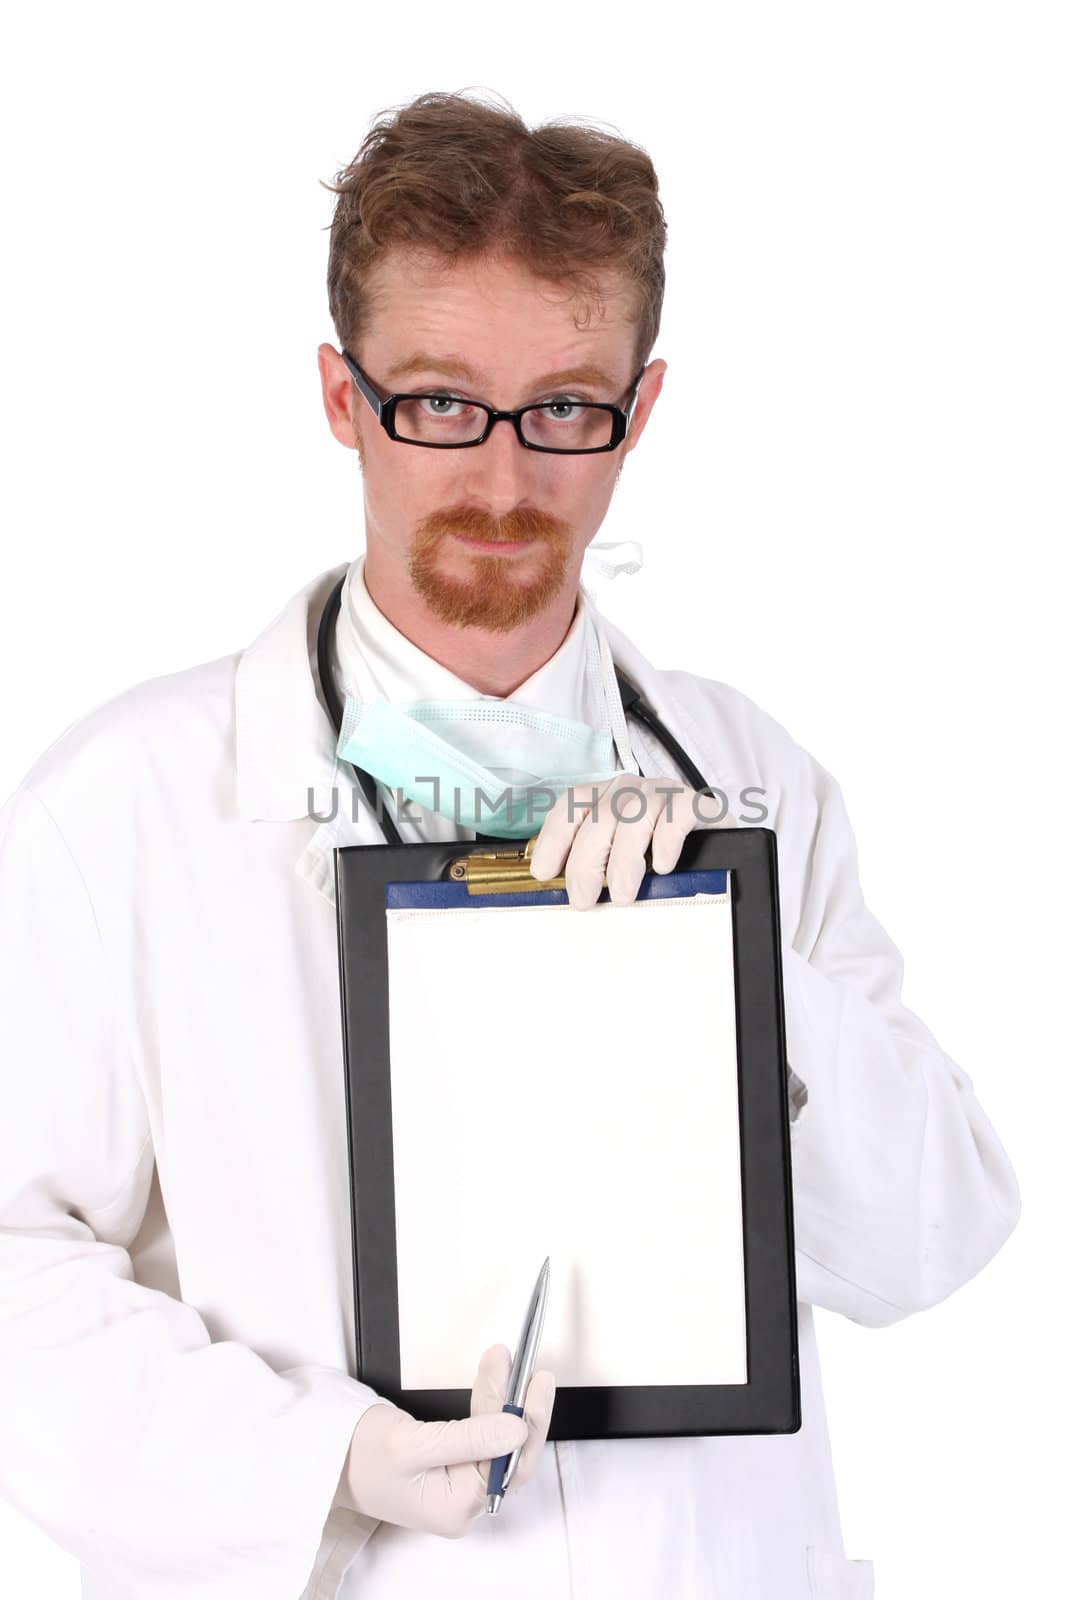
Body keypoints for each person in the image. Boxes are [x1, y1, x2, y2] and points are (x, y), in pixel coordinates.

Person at [0, 88, 1020, 1600]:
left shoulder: (753, 783)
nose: (501, 479)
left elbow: (930, 1242)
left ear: (641, 408)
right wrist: (314, 1462)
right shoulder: (127, 806)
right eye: (436, 403)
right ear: (344, 402)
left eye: (562, 410)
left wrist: (730, 960)